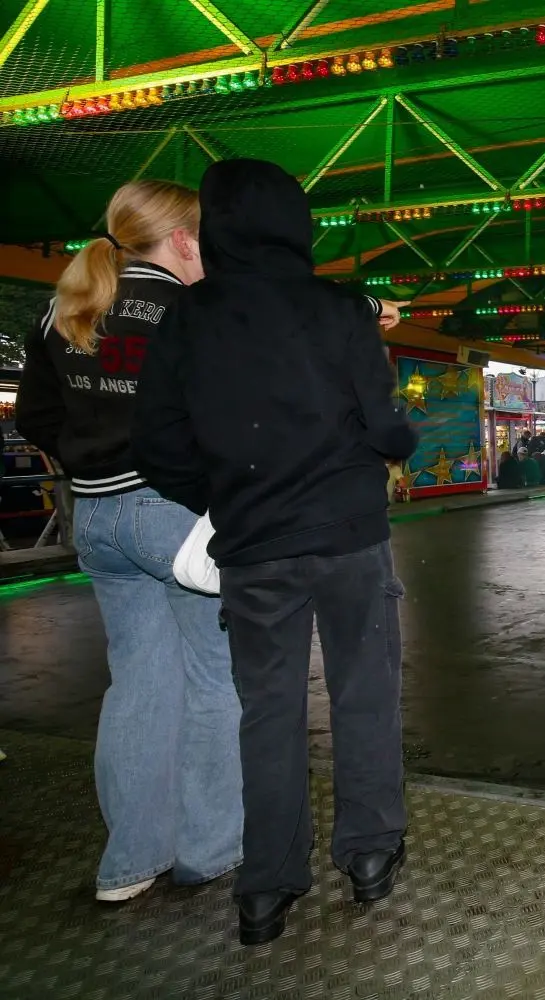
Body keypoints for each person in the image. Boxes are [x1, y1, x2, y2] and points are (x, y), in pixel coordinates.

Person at [133, 159, 417, 947]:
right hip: (350, 538)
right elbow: (385, 424)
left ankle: (266, 888)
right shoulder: (338, 307)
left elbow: (157, 444)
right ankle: (369, 854)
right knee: (365, 695)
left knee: (268, 712)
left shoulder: (188, 319)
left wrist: (225, 492)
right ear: (296, 223)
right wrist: (393, 443)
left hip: (254, 545)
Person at [16, 180, 247, 905]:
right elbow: (228, 417)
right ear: (182, 239)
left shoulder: (65, 305)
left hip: (97, 518)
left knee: (138, 685)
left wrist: (90, 459)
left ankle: (129, 863)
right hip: (174, 517)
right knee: (217, 680)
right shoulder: (192, 309)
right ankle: (209, 850)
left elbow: (34, 416)